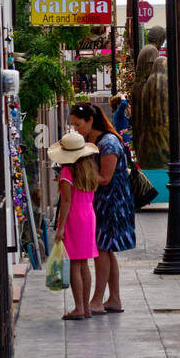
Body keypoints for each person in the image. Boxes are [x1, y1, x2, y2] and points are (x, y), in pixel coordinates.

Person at [69, 102, 137, 315]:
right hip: (100, 201)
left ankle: (98, 299)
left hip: (113, 202)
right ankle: (113, 298)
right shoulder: (92, 140)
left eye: (78, 124)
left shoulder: (108, 142)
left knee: (102, 248)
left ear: (90, 120)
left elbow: (105, 178)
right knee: (106, 249)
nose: (75, 129)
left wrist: (76, 179)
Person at [49, 131, 100, 320]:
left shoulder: (67, 172)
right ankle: (85, 307)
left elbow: (66, 202)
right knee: (84, 264)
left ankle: (78, 307)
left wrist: (60, 227)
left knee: (74, 264)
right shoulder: (90, 168)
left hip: (74, 218)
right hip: (89, 215)